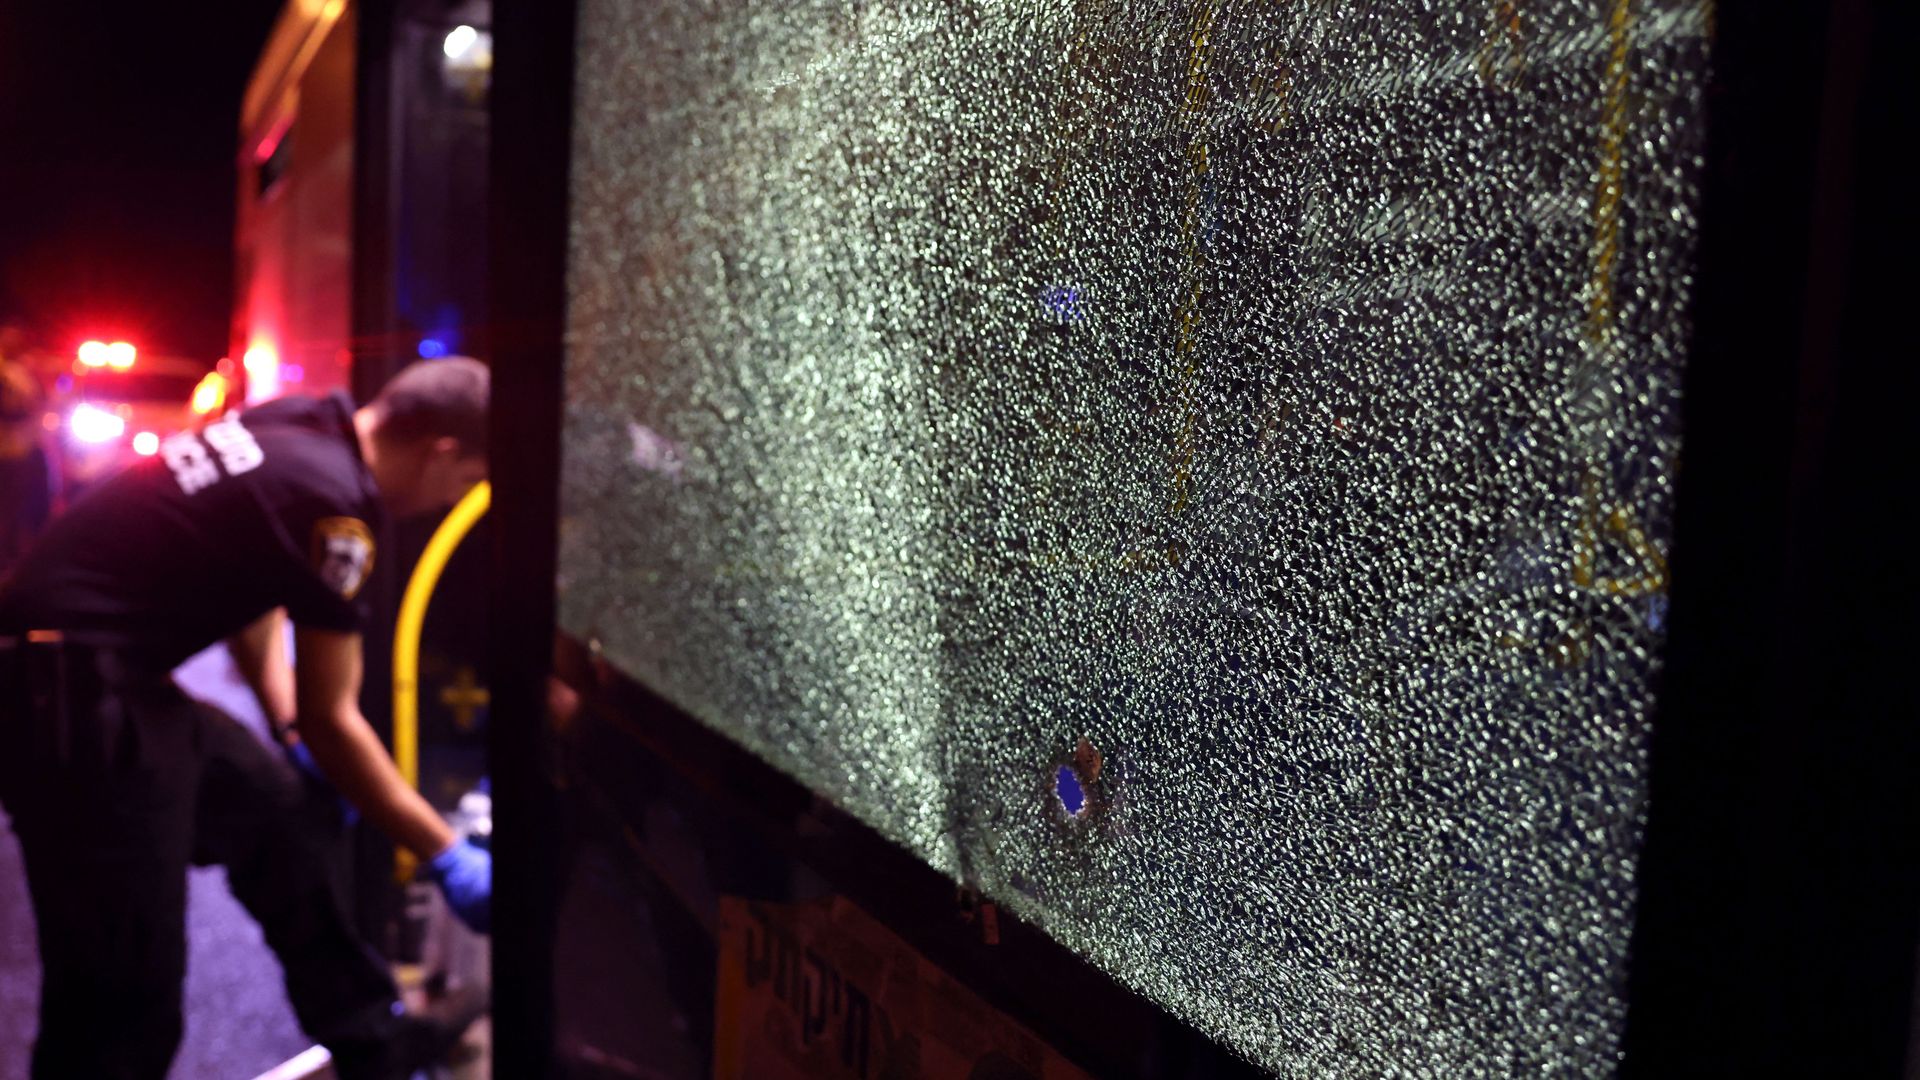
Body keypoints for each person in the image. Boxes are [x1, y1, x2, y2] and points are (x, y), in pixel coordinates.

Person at [0, 357, 494, 1079]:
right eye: (462, 483)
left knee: (280, 815)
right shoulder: (339, 511)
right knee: (120, 1001)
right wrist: (444, 852)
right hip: (69, 699)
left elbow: (254, 581)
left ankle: (374, 1043)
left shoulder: (300, 424)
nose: (453, 501)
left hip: (101, 679)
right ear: (441, 451)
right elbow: (335, 719)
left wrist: (282, 727)